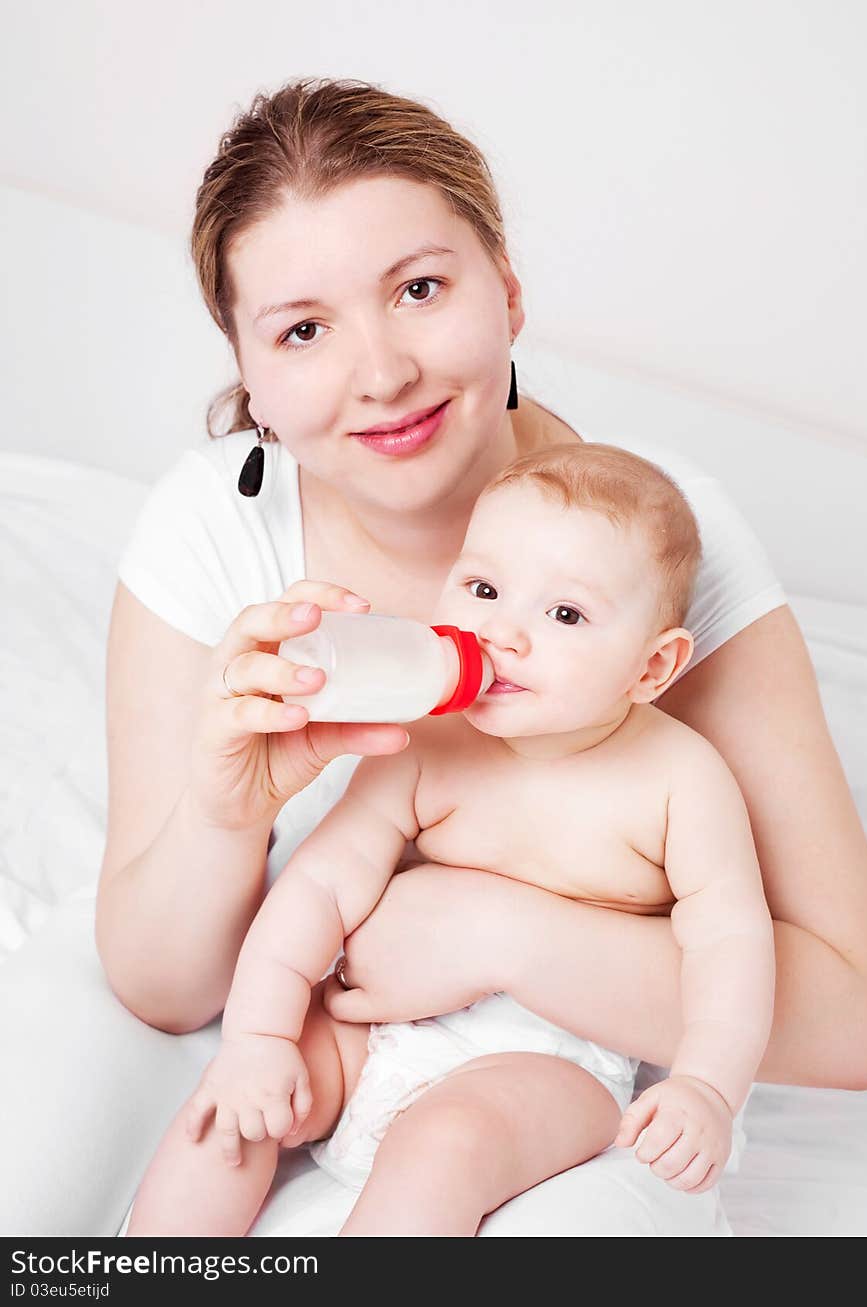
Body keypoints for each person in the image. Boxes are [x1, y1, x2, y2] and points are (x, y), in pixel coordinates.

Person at [2, 77, 867, 1239]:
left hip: (554, 1061)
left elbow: (855, 1014)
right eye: (303, 329)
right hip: (273, 1000)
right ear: (247, 370)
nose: (382, 373)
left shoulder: (657, 547)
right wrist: (225, 817)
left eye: (419, 288)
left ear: (507, 290)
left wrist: (491, 933)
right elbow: (165, 989)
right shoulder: (219, 523)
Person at [124, 443, 776, 1237]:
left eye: (564, 613)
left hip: (551, 1066)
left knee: (444, 1145)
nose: (504, 632)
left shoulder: (682, 779)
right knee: (229, 1113)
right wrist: (258, 1037)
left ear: (652, 667)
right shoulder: (431, 741)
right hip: (374, 1031)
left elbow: (731, 945)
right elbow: (321, 888)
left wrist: (709, 1086)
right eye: (484, 587)